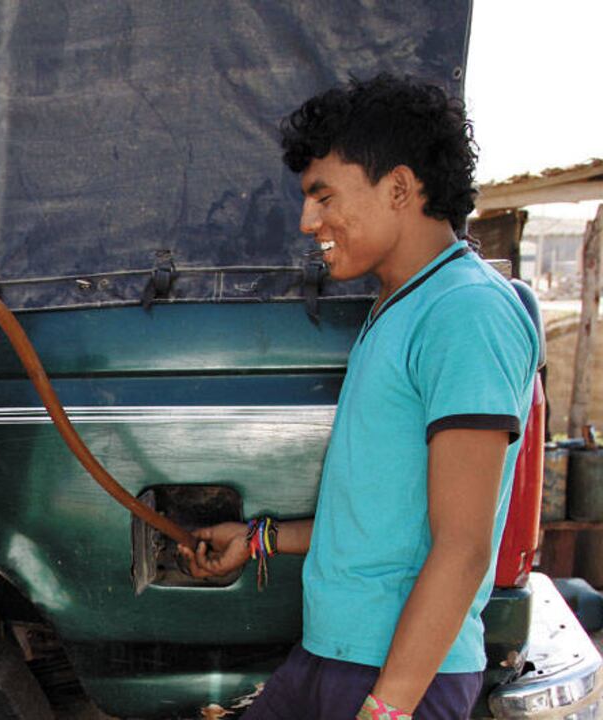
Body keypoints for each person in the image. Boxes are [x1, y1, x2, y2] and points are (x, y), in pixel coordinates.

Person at [180, 75, 539, 720]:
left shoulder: (465, 312)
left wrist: (386, 710)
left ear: (399, 187)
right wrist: (259, 539)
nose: (306, 221)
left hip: (398, 677)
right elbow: (382, 525)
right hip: (333, 656)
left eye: (323, 196)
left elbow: (461, 547)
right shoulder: (402, 306)